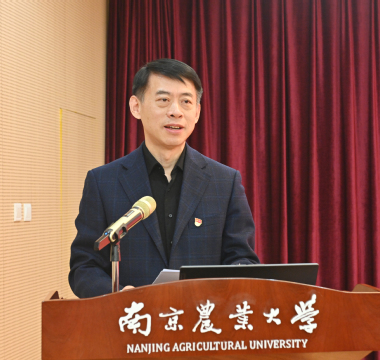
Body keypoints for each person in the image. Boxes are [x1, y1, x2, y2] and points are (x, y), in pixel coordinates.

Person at [69, 58, 259, 298]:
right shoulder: (103, 182)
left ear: (197, 112)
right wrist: (118, 296)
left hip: (203, 316)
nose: (175, 111)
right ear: (136, 107)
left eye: (186, 102)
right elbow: (84, 266)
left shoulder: (225, 182)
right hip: (133, 317)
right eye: (163, 100)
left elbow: (243, 259)